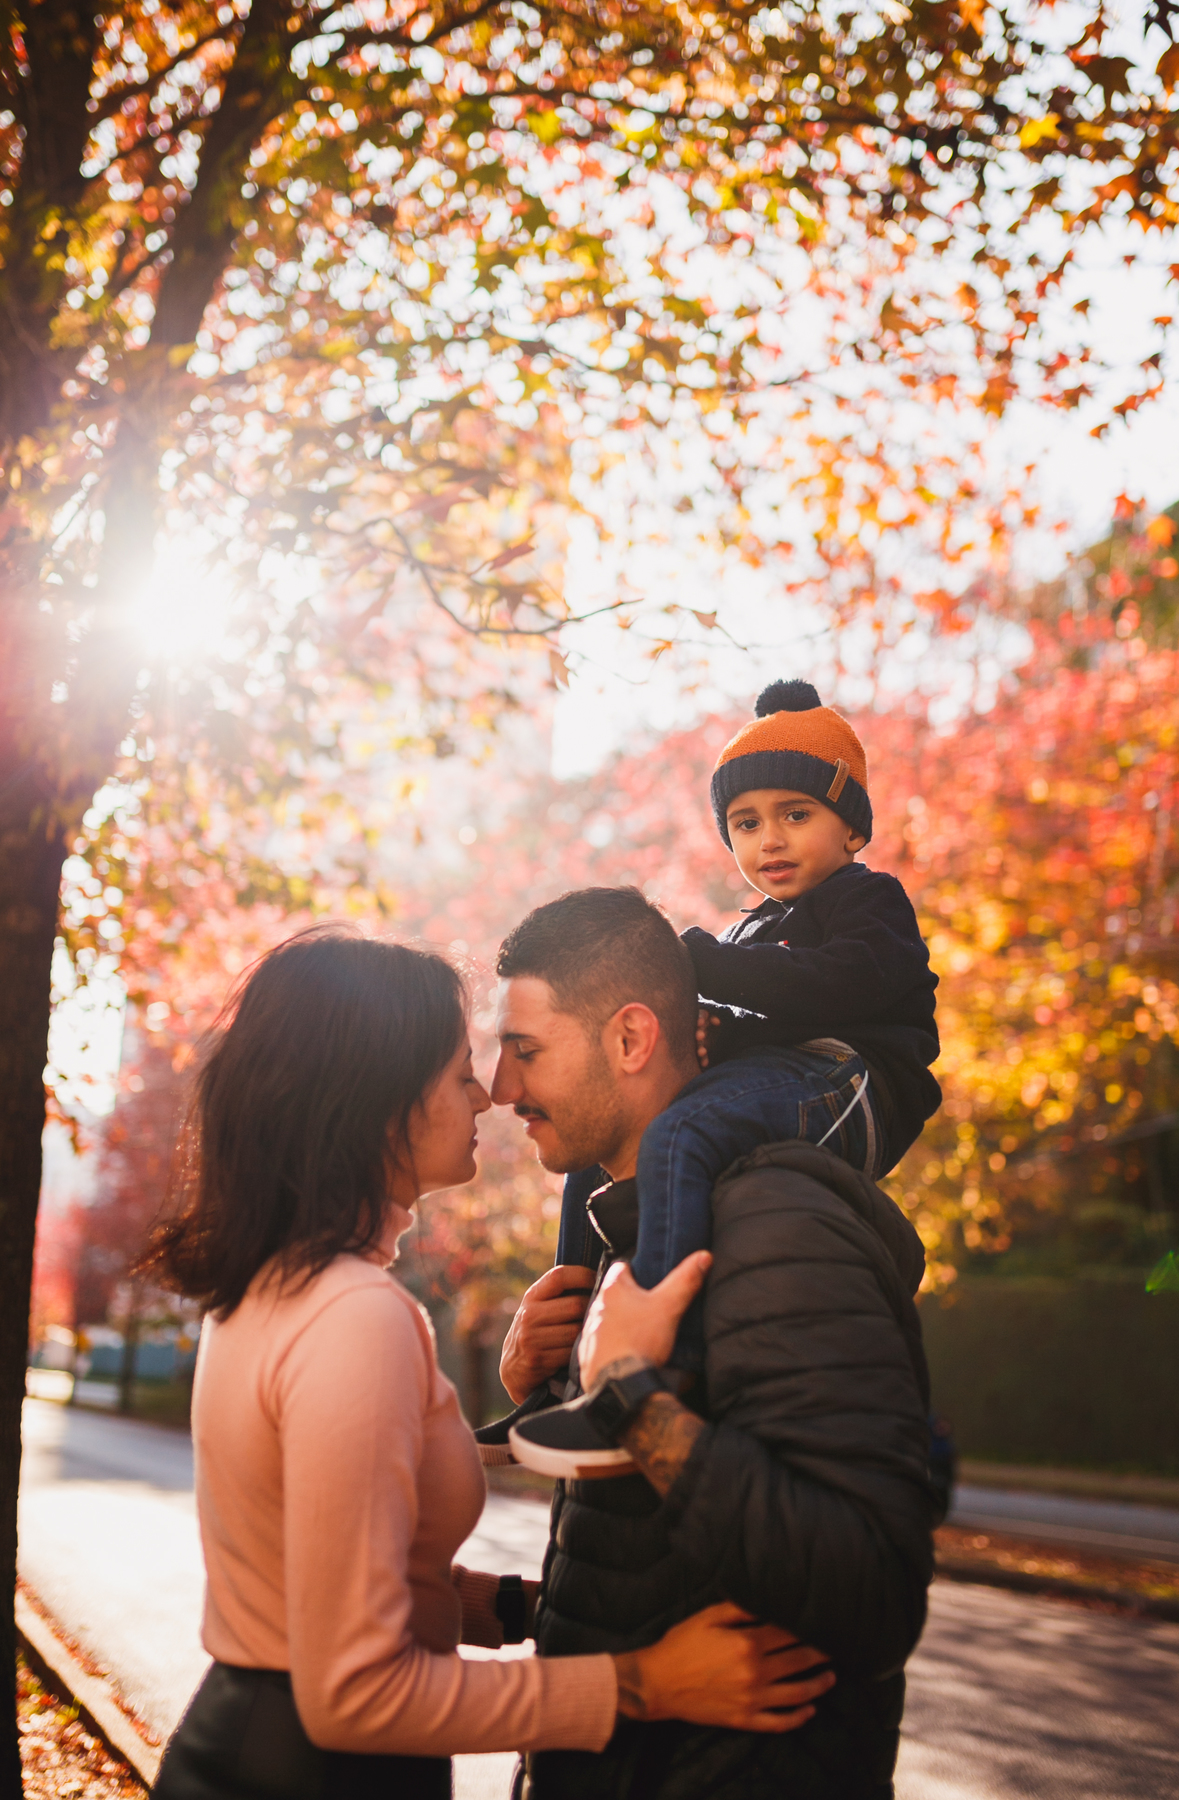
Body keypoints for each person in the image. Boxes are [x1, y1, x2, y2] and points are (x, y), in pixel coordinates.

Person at [141, 925, 836, 1800]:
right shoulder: (356, 1318)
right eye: (461, 1071)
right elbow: (356, 1693)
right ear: (378, 1099)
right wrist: (642, 1684)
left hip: (258, 1746)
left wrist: (521, 1609)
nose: (487, 1096)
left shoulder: (277, 1283)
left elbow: (335, 1564)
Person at [490, 888, 936, 1799]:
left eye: (524, 1051)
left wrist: (627, 1400)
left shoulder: (777, 1222)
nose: (500, 1089)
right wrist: (554, 1383)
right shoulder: (628, 1231)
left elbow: (873, 1592)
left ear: (629, 1039)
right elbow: (635, 1568)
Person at [509, 678, 940, 1455]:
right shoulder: (749, 932)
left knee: (685, 1128)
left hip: (856, 1079)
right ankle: (559, 1378)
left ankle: (643, 1374)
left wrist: (706, 971)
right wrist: (708, 1030)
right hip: (789, 1074)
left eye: (795, 815)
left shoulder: (866, 900)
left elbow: (846, 984)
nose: (768, 840)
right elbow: (751, 1012)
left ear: (851, 829)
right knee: (601, 1148)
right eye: (746, 823)